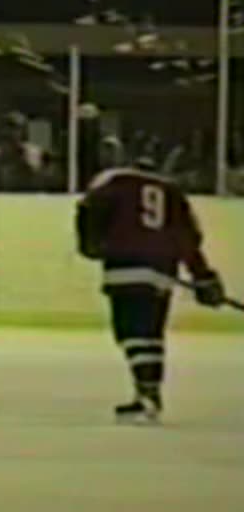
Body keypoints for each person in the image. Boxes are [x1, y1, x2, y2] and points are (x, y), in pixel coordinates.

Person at [75, 146, 227, 425]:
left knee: (131, 334)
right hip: (162, 270)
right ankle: (149, 395)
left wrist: (92, 245)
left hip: (125, 266)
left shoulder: (111, 181)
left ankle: (146, 398)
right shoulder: (172, 191)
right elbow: (188, 237)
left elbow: (88, 210)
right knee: (152, 335)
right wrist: (202, 275)